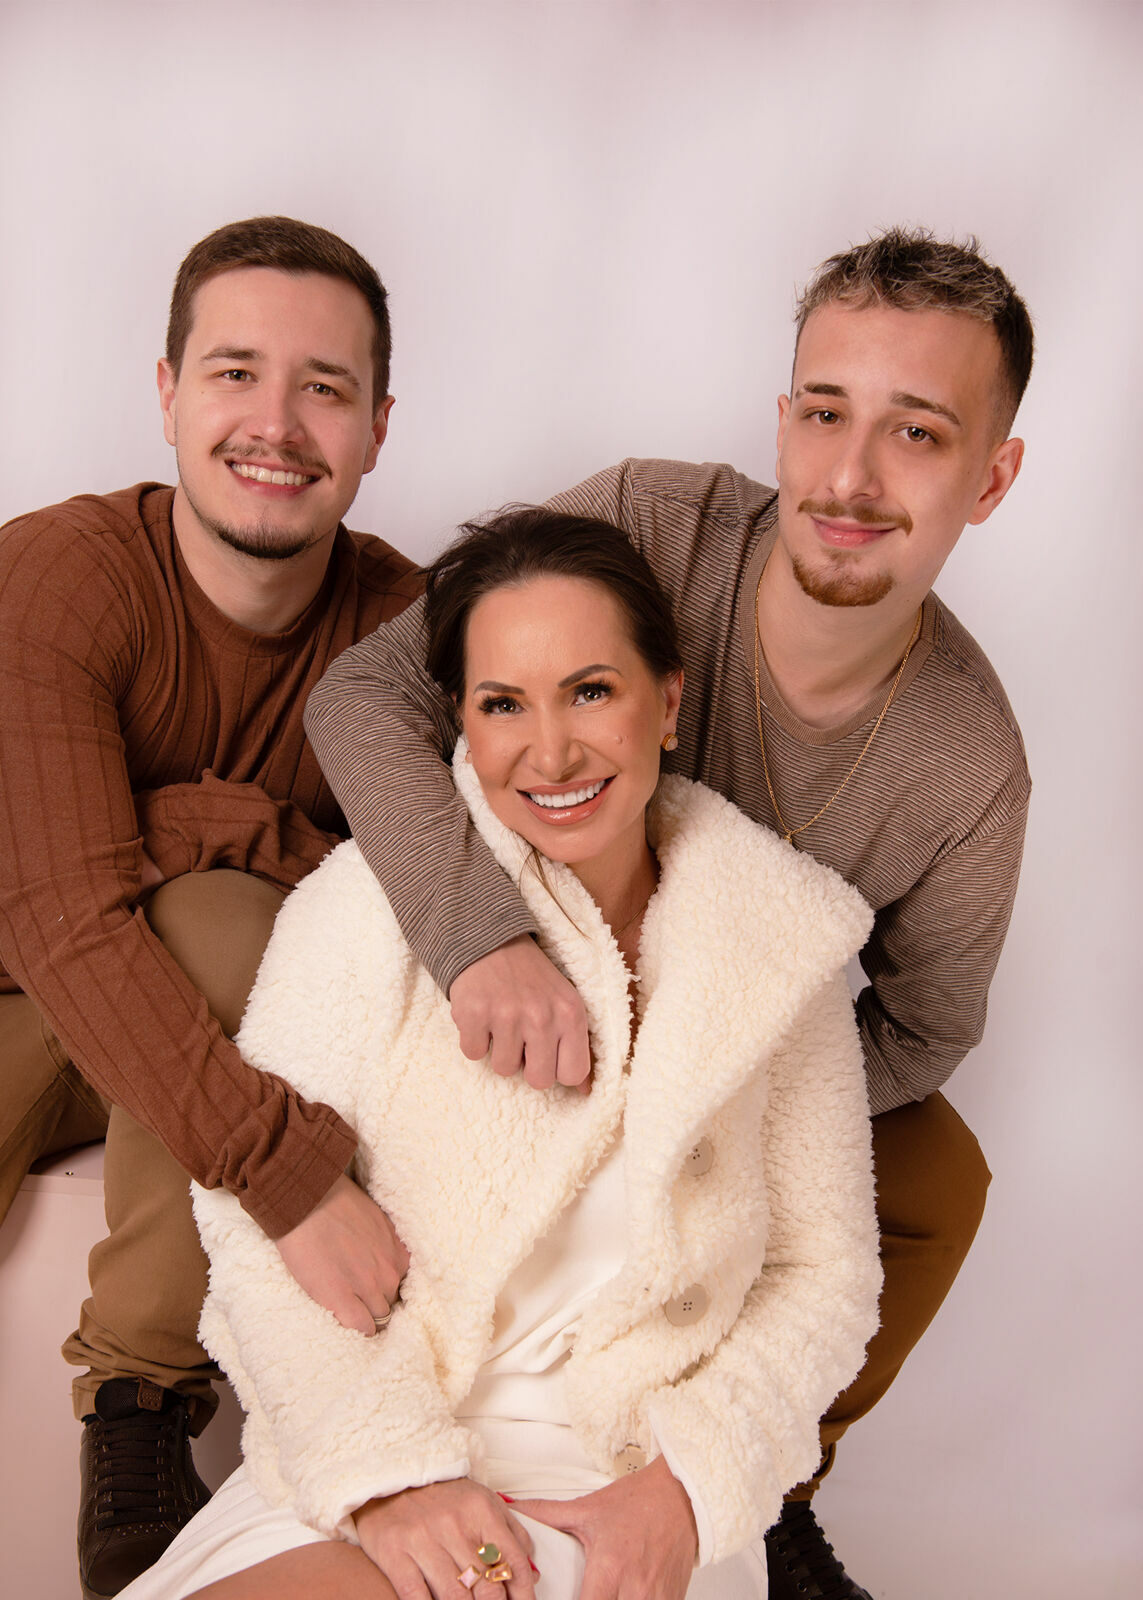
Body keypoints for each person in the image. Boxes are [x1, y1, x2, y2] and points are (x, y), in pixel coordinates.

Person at [303, 228, 1034, 1600]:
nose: (850, 477)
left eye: (917, 433)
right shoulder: (654, 523)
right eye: (826, 413)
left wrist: (723, 1089)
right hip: (493, 1007)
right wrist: (475, 940)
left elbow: (927, 1026)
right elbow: (366, 696)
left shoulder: (969, 764)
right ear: (783, 419)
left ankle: (755, 1471)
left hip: (702, 1063)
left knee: (941, 1175)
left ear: (989, 477)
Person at [118, 505, 880, 1600]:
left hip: (626, 1486)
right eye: (503, 704)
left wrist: (690, 1489)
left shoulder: (772, 942)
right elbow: (255, 1229)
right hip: (360, 1457)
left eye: (592, 691)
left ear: (669, 703)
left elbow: (825, 1275)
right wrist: (389, 1476)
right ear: (461, 725)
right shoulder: (363, 906)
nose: (551, 750)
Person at [0, 215, 422, 1598]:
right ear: (168, 392)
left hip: (190, 1003)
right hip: (15, 995)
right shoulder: (60, 579)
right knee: (208, 915)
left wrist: (188, 834)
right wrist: (288, 1178)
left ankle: (137, 1411)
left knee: (226, 922)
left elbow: (422, 896)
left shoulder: (404, 632)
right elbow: (62, 924)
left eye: (324, 387)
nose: (276, 423)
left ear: (376, 428)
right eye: (236, 372)